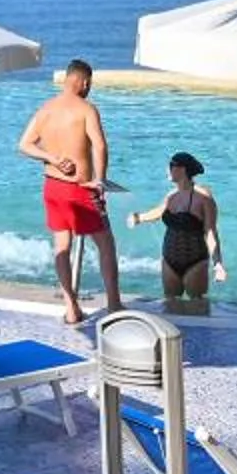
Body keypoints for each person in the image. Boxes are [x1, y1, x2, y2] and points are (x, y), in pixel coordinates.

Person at [19, 58, 120, 324]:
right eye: (90, 84)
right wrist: (101, 180)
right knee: (106, 244)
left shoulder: (46, 109)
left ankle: (71, 307)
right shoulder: (86, 109)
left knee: (62, 245)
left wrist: (52, 158)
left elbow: (25, 144)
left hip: (53, 186)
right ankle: (114, 304)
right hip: (81, 188)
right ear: (84, 82)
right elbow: (99, 146)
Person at [128, 152, 223, 311]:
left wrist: (218, 264)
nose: (167, 170)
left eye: (171, 166)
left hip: (195, 261)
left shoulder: (203, 197)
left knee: (197, 305)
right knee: (170, 306)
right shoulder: (171, 196)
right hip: (169, 260)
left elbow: (211, 232)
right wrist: (138, 218)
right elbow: (159, 212)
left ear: (182, 169)